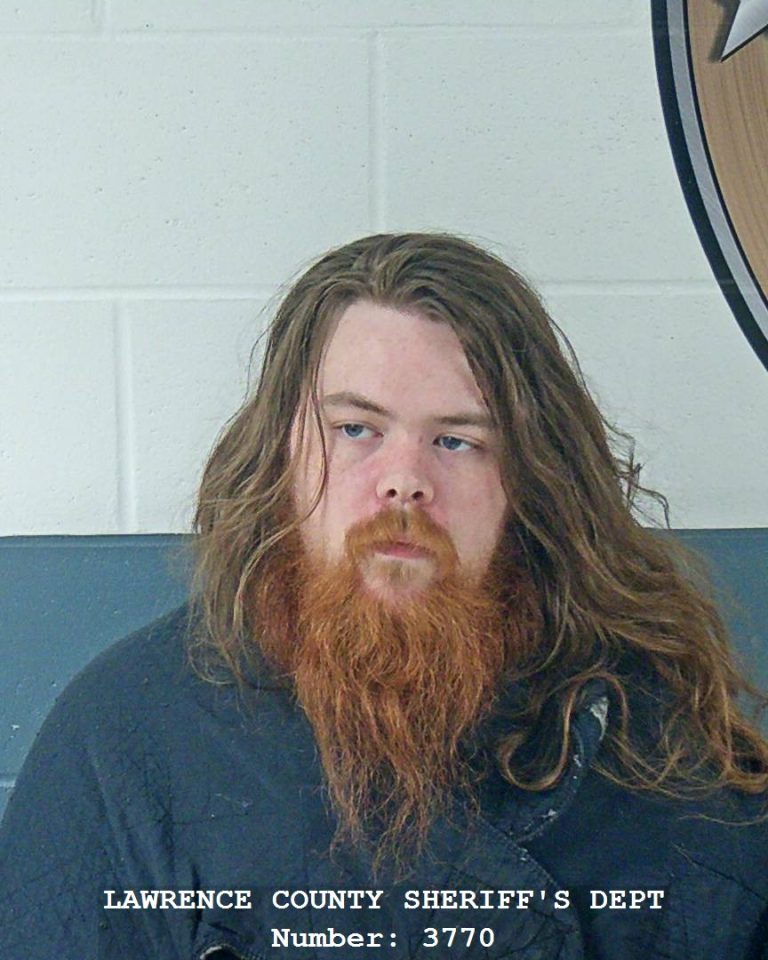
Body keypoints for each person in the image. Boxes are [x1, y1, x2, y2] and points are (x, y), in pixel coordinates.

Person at [1, 233, 767, 959]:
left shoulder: (658, 750)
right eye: (356, 429)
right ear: (282, 452)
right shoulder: (127, 741)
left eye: (457, 440)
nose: (405, 482)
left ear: (529, 482)